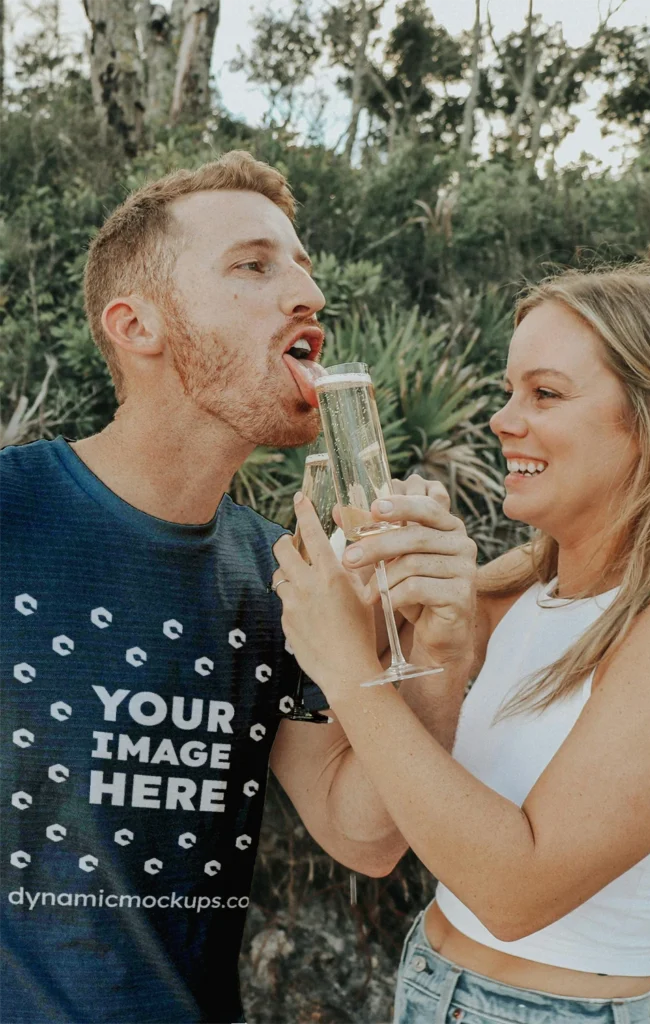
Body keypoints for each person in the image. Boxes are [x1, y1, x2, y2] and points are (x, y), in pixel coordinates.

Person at [0, 150, 477, 1024]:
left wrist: (440, 649)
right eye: (254, 266)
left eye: (302, 266)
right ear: (135, 324)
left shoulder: (281, 576)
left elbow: (362, 835)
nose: (307, 295)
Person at [274, 264, 650, 1024]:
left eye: (544, 393)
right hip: (426, 978)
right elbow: (362, 831)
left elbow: (515, 892)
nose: (502, 419)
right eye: (509, 390)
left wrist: (349, 667)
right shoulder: (518, 586)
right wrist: (419, 638)